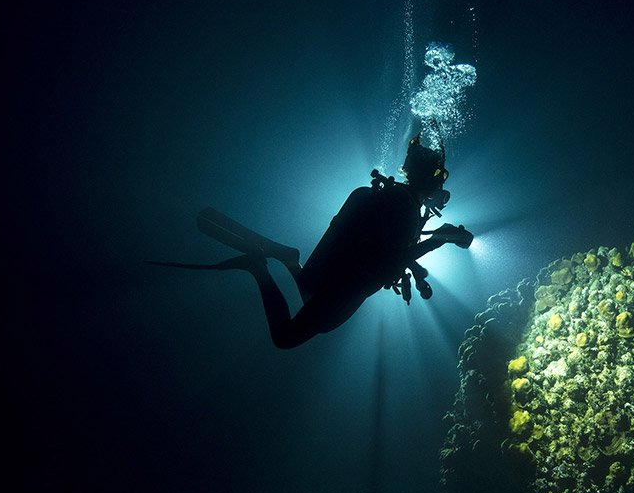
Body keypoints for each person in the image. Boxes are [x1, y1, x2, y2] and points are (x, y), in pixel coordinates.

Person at [148, 134, 472, 348]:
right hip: (345, 288)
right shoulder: (405, 210)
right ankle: (258, 268)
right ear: (432, 178)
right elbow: (388, 261)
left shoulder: (386, 196)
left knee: (307, 295)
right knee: (286, 338)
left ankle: (289, 259)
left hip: (329, 275)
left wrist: (437, 237)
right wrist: (437, 241)